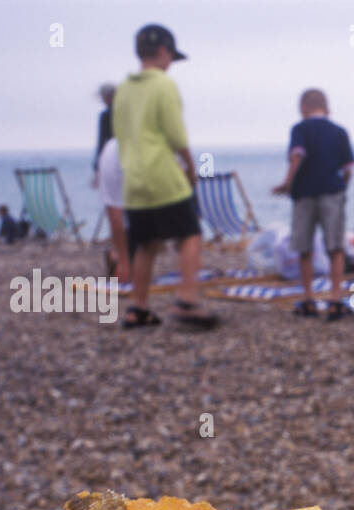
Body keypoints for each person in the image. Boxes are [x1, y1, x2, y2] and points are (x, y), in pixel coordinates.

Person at [114, 24, 213, 329]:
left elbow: (119, 133)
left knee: (146, 243)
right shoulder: (163, 85)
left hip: (132, 179)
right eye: (171, 56)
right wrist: (190, 167)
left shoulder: (123, 90)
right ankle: (186, 301)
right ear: (162, 52)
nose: (171, 64)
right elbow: (175, 134)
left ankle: (138, 308)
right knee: (191, 235)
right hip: (162, 174)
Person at [273, 88, 354, 320]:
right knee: (335, 248)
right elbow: (349, 167)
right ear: (327, 108)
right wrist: (342, 187)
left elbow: (298, 155)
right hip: (332, 191)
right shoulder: (339, 132)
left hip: (304, 193)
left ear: (303, 108)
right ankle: (334, 300)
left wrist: (287, 182)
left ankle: (309, 299)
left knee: (304, 247)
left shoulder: (299, 129)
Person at [97, 138, 130, 282]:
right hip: (123, 156)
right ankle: (120, 260)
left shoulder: (110, 146)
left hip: (112, 157)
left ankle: (119, 259)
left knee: (119, 212)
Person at [93, 83, 116, 175]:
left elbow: (102, 140)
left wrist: (97, 165)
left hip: (110, 153)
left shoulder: (105, 115)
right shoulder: (125, 112)